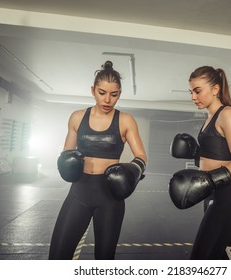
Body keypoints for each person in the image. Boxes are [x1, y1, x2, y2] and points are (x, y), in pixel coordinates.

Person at [49, 61, 147, 260]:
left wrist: (132, 170)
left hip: (110, 197)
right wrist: (67, 161)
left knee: (104, 260)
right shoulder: (77, 117)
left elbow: (141, 156)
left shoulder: (126, 120)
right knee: (58, 256)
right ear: (93, 90)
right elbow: (67, 152)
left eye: (114, 94)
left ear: (119, 93)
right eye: (102, 92)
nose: (108, 100)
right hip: (79, 193)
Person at [169, 66, 231, 259]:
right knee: (219, 256)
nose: (193, 97)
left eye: (198, 91)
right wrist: (197, 154)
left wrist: (208, 180)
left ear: (215, 89)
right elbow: (217, 156)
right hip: (213, 193)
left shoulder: (227, 115)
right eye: (191, 92)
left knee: (201, 259)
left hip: (228, 197)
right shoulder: (209, 118)